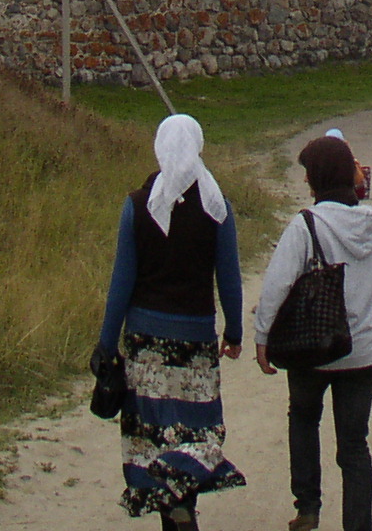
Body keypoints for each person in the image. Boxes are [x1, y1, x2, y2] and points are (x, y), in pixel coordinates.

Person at [97, 114, 246, 528]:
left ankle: (172, 512)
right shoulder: (218, 207)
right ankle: (185, 506)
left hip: (145, 344)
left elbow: (121, 284)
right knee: (194, 434)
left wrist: (107, 345)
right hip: (195, 340)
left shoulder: (137, 206)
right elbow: (229, 279)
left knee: (156, 436)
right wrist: (233, 332)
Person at [256, 134, 372, 531]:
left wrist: (263, 336)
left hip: (311, 346)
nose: (305, 182)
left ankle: (308, 507)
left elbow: (277, 286)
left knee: (303, 418)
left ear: (318, 178)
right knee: (354, 445)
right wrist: (366, 312)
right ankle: (358, 524)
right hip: (362, 351)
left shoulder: (306, 225)